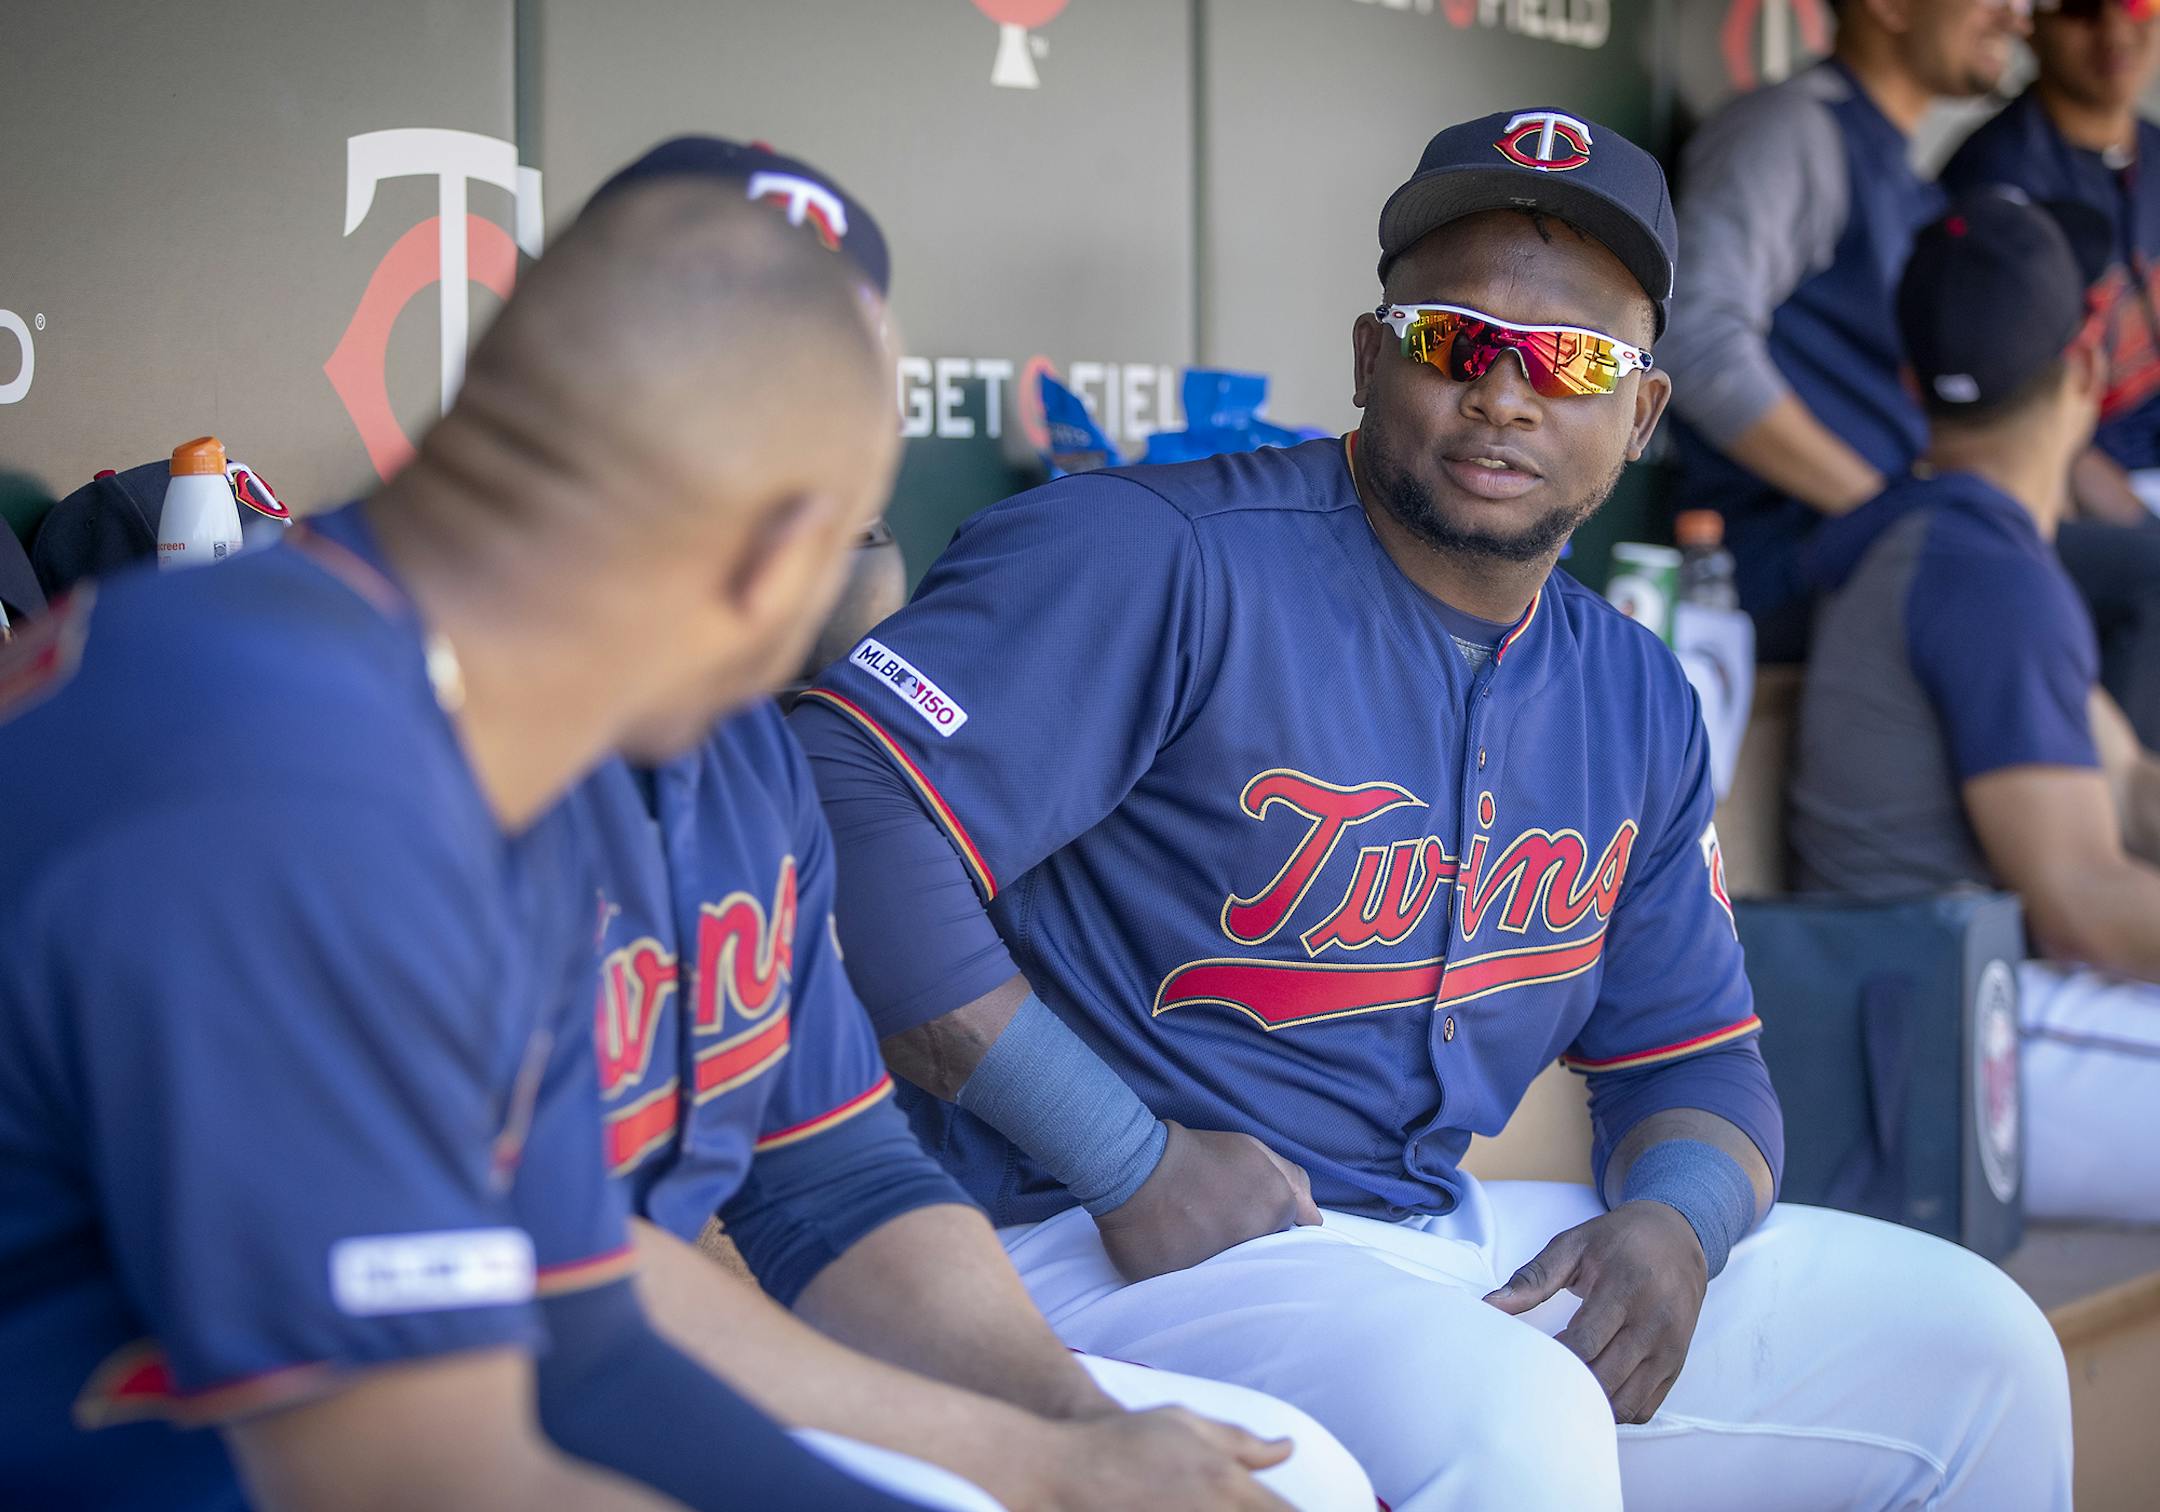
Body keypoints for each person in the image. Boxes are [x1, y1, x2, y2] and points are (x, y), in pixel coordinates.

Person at [790, 105, 2073, 1511]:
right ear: (1368, 357)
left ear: (1642, 412)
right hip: (1089, 1241)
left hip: (1420, 1233)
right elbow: (844, 805)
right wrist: (1124, 1154)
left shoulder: (1631, 696)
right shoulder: (1159, 557)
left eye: (1570, 362)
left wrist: (1676, 1227)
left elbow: (1697, 1062)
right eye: (1458, 341)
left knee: (1977, 1349)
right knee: (1512, 1419)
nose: (1506, 396)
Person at [0, 170, 958, 1509]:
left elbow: (587, 1348)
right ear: (771, 563)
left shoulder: (437, 732)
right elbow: (431, 1484)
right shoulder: (301, 778)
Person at [559, 137, 1371, 1512]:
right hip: (338, 1423)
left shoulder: (746, 763)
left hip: (615, 1366)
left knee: (1305, 1480)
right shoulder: (317, 737)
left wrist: (1083, 1419)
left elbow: (832, 1178)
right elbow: (531, 1283)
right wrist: (1043, 1460)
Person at [1792, 189, 2160, 1223]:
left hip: (1928, 1016)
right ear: (2083, 372)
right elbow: (2085, 904)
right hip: (1931, 1043)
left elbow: (2125, 784)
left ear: (1913, 385)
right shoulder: (1981, 566)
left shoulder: (1958, 540)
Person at [1660, 0, 2032, 659]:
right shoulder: (1792, 130)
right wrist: (1884, 514)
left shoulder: (1901, 161)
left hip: (1861, 548)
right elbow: (1691, 338)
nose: (2017, 18)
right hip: (1781, 559)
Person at [1941, 0, 2160, 743]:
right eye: (2082, 11)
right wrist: (2099, 484)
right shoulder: (1996, 173)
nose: (2115, 33)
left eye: (2137, 5)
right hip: (2059, 476)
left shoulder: (2155, 155)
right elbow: (1990, 395)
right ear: (2034, 24)